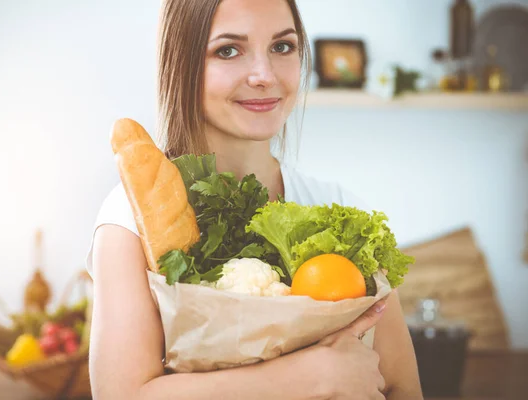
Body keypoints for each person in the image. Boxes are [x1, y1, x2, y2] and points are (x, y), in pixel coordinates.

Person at [86, 0, 423, 398]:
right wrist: (310, 377)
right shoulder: (129, 220)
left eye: (282, 47)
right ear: (182, 65)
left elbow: (402, 387)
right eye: (228, 50)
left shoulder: (338, 208)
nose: (264, 75)